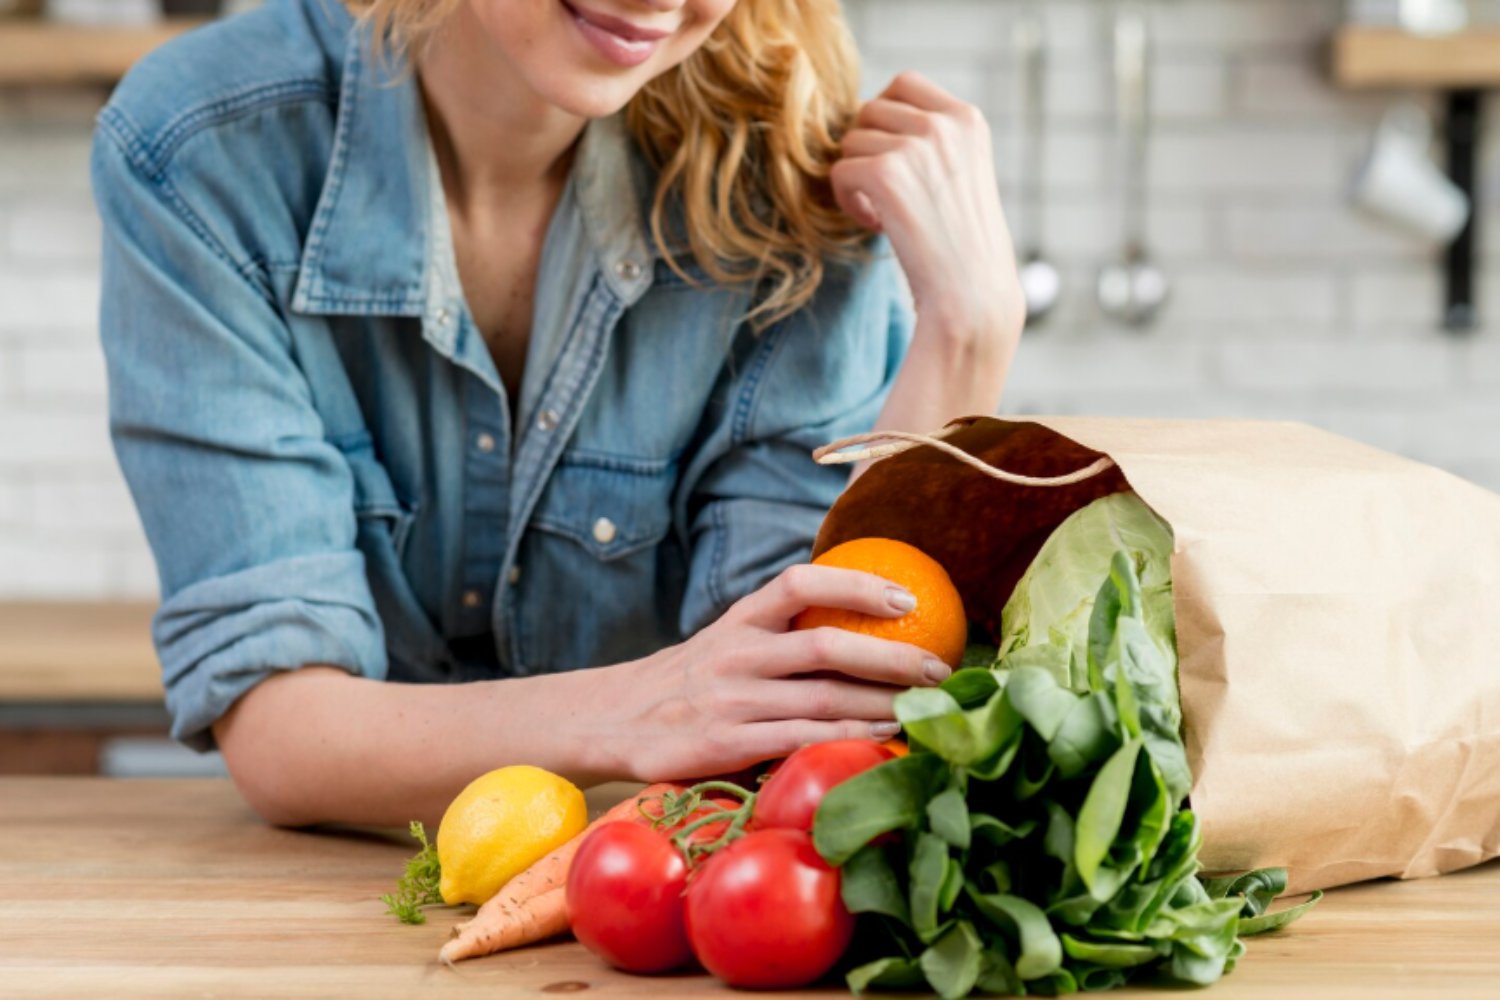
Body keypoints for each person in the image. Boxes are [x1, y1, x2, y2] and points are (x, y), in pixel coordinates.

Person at [94, 0, 1023, 829]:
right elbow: (282, 726)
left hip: (654, 903)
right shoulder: (203, 146)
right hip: (331, 905)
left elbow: (802, 707)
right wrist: (648, 710)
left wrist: (967, 335)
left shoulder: (785, 163)